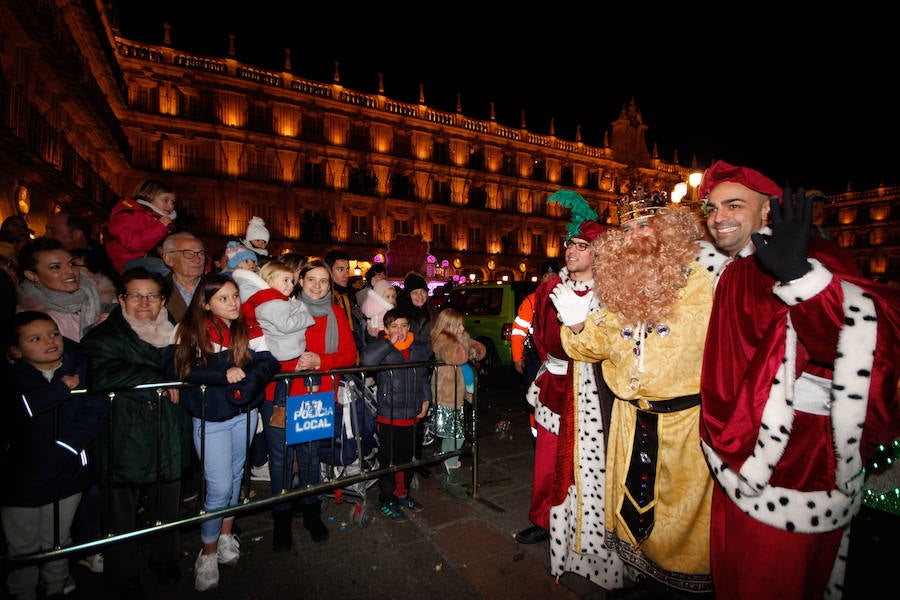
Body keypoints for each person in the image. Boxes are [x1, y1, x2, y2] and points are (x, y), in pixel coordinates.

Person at [697, 160, 900, 599]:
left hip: (791, 475)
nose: (719, 218)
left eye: (734, 205)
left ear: (768, 211)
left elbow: (860, 344)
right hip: (730, 462)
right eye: (712, 209)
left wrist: (801, 279)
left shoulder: (815, 257)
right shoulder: (733, 269)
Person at [554, 193, 716, 597]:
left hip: (686, 427)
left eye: (645, 224)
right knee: (639, 521)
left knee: (683, 528)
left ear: (670, 229)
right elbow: (594, 344)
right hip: (632, 422)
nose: (635, 235)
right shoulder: (623, 286)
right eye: (626, 229)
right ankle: (644, 583)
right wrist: (576, 327)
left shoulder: (708, 280)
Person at [513, 190, 612, 563]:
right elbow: (537, 333)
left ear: (597, 254)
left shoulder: (610, 294)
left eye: (582, 245)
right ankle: (543, 520)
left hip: (597, 391)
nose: (571, 250)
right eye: (570, 244)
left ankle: (590, 531)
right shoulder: (549, 288)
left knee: (589, 467)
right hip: (554, 387)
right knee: (547, 462)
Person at [164, 273, 280, 592]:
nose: (232, 303)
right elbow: (184, 368)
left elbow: (269, 361)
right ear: (205, 302)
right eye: (223, 298)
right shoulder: (190, 330)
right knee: (217, 487)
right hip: (211, 418)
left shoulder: (249, 327)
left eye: (234, 296)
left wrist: (249, 380)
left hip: (243, 413)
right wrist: (223, 371)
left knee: (234, 479)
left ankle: (226, 534)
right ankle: (208, 552)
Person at [80, 267, 191, 598]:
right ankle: (124, 575)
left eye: (153, 296)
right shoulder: (104, 336)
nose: (145, 303)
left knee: (167, 505)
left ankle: (165, 558)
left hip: (167, 430)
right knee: (121, 514)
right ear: (121, 299)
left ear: (162, 300)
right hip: (124, 435)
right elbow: (101, 374)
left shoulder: (175, 332)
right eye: (135, 295)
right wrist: (153, 378)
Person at [1, 311, 106, 600]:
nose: (49, 341)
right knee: (23, 543)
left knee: (58, 538)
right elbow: (15, 412)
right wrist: (59, 390)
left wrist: (68, 449)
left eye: (54, 334)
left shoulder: (80, 365)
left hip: (68, 470)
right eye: (35, 339)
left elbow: (95, 411)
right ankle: (22, 590)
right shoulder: (13, 379)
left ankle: (57, 585)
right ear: (15, 349)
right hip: (21, 478)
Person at [260, 259, 358, 550]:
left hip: (317, 395)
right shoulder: (282, 307)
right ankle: (281, 518)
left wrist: (321, 361)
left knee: (311, 457)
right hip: (281, 395)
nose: (317, 286)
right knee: (279, 460)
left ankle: (311, 511)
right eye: (311, 279)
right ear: (300, 281)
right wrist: (295, 363)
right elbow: (267, 352)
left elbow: (350, 355)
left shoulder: (337, 313)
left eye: (323, 281)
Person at [231, 261, 317, 488]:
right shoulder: (269, 303)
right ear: (268, 282)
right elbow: (281, 343)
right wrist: (302, 311)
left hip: (298, 388)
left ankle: (303, 502)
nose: (291, 286)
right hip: (276, 388)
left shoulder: (275, 301)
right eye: (285, 281)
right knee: (280, 455)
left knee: (303, 452)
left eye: (291, 281)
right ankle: (282, 506)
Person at [360, 308, 432, 521]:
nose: (400, 330)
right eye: (394, 326)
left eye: (403, 325)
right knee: (389, 459)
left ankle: (403, 494)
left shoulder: (418, 348)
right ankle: (387, 498)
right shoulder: (383, 347)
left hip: (413, 412)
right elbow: (367, 361)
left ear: (409, 327)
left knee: (408, 458)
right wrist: (389, 342)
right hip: (389, 414)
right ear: (387, 329)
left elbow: (423, 376)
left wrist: (426, 400)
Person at [429, 308, 486, 500]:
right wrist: (469, 349)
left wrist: (476, 348)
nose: (462, 328)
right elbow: (458, 356)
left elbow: (476, 349)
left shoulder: (460, 336)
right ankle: (449, 478)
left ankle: (453, 472)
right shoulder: (442, 341)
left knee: (458, 434)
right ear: (448, 327)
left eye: (462, 324)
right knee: (454, 436)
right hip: (447, 395)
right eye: (458, 325)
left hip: (459, 394)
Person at [15, 238, 106, 342]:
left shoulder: (99, 294)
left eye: (71, 264)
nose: (70, 271)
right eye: (56, 267)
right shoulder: (29, 318)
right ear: (32, 275)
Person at [510, 260, 559, 441]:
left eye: (554, 275)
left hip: (559, 360)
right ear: (541, 278)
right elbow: (518, 332)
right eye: (547, 275)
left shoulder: (565, 298)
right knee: (535, 398)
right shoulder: (531, 300)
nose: (550, 278)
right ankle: (537, 435)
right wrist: (517, 357)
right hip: (535, 359)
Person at [105, 178, 177, 273]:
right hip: (126, 262)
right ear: (149, 197)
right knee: (164, 269)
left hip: (143, 259)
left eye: (172, 202)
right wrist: (160, 227)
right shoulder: (129, 214)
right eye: (165, 200)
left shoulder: (154, 218)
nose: (170, 206)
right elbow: (134, 243)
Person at [160, 232, 206, 323]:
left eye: (201, 253)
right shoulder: (157, 291)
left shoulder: (217, 288)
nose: (197, 260)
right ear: (168, 259)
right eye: (188, 253)